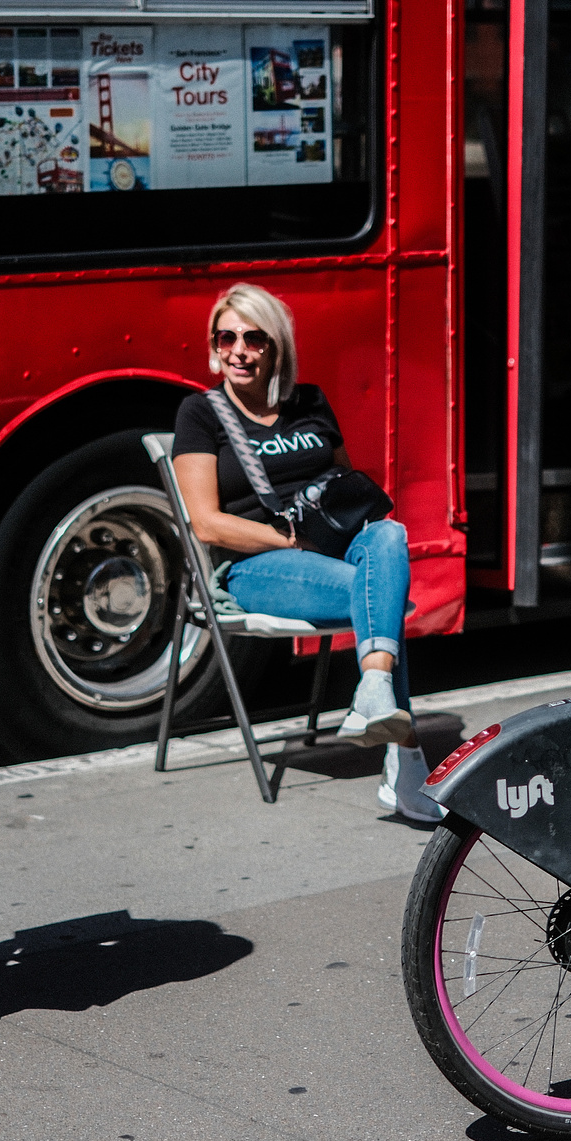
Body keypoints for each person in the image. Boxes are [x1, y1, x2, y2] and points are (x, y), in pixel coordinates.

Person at [171, 283, 442, 823]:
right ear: (214, 345)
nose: (238, 351)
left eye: (253, 338)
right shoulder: (201, 414)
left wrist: (331, 534)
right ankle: (407, 760)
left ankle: (374, 686)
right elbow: (206, 524)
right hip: (255, 565)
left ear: (277, 348)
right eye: (226, 338)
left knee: (388, 537)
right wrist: (287, 539)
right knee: (381, 595)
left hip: (337, 549)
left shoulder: (310, 401)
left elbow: (342, 483)